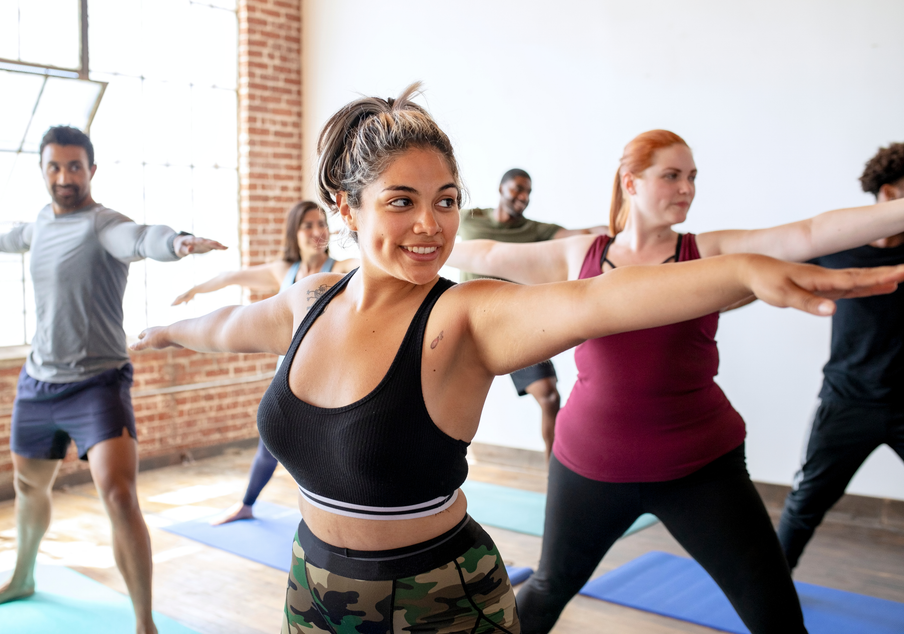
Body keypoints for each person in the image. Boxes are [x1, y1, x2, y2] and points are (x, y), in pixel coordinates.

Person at [131, 93, 904, 634]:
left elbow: (604, 303)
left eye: (445, 199)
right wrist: (167, 331)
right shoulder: (310, 301)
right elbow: (234, 324)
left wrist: (741, 273)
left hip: (449, 592)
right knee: (554, 588)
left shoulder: (466, 315)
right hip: (316, 591)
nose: (430, 224)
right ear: (345, 205)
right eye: (402, 201)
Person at [446, 129, 904, 634]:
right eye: (671, 176)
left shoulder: (707, 252)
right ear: (632, 183)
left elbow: (811, 233)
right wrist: (399, 240)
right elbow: (483, 254)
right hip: (589, 466)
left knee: (775, 612)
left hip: (700, 469)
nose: (686, 188)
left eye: (692, 178)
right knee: (548, 589)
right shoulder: (578, 254)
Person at [0, 126, 224, 634]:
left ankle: (144, 622)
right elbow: (13, 237)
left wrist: (177, 242)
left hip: (97, 385)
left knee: (119, 495)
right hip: (38, 384)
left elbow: (142, 237)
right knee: (28, 486)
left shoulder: (102, 224)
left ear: (91, 170)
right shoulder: (41, 222)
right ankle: (22, 576)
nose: (64, 177)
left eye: (74, 167)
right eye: (54, 167)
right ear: (43, 171)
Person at [172, 200, 358, 524]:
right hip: (287, 376)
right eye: (308, 225)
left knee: (334, 450)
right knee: (270, 444)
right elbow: (232, 276)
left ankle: (343, 515)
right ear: (295, 233)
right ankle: (246, 505)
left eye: (321, 224)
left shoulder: (340, 269)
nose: (317, 232)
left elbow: (371, 262)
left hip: (328, 378)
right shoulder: (282, 271)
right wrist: (196, 289)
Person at [778, 142, 904, 570]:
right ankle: (772, 589)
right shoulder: (836, 248)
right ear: (887, 194)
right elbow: (771, 269)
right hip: (848, 400)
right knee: (806, 502)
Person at [459, 169, 606, 455]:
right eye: (517, 190)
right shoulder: (470, 218)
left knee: (550, 397)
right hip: (469, 324)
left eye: (527, 193)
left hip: (514, 325)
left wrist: (621, 229)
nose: (523, 198)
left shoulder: (533, 230)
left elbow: (584, 234)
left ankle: (555, 473)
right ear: (501, 188)